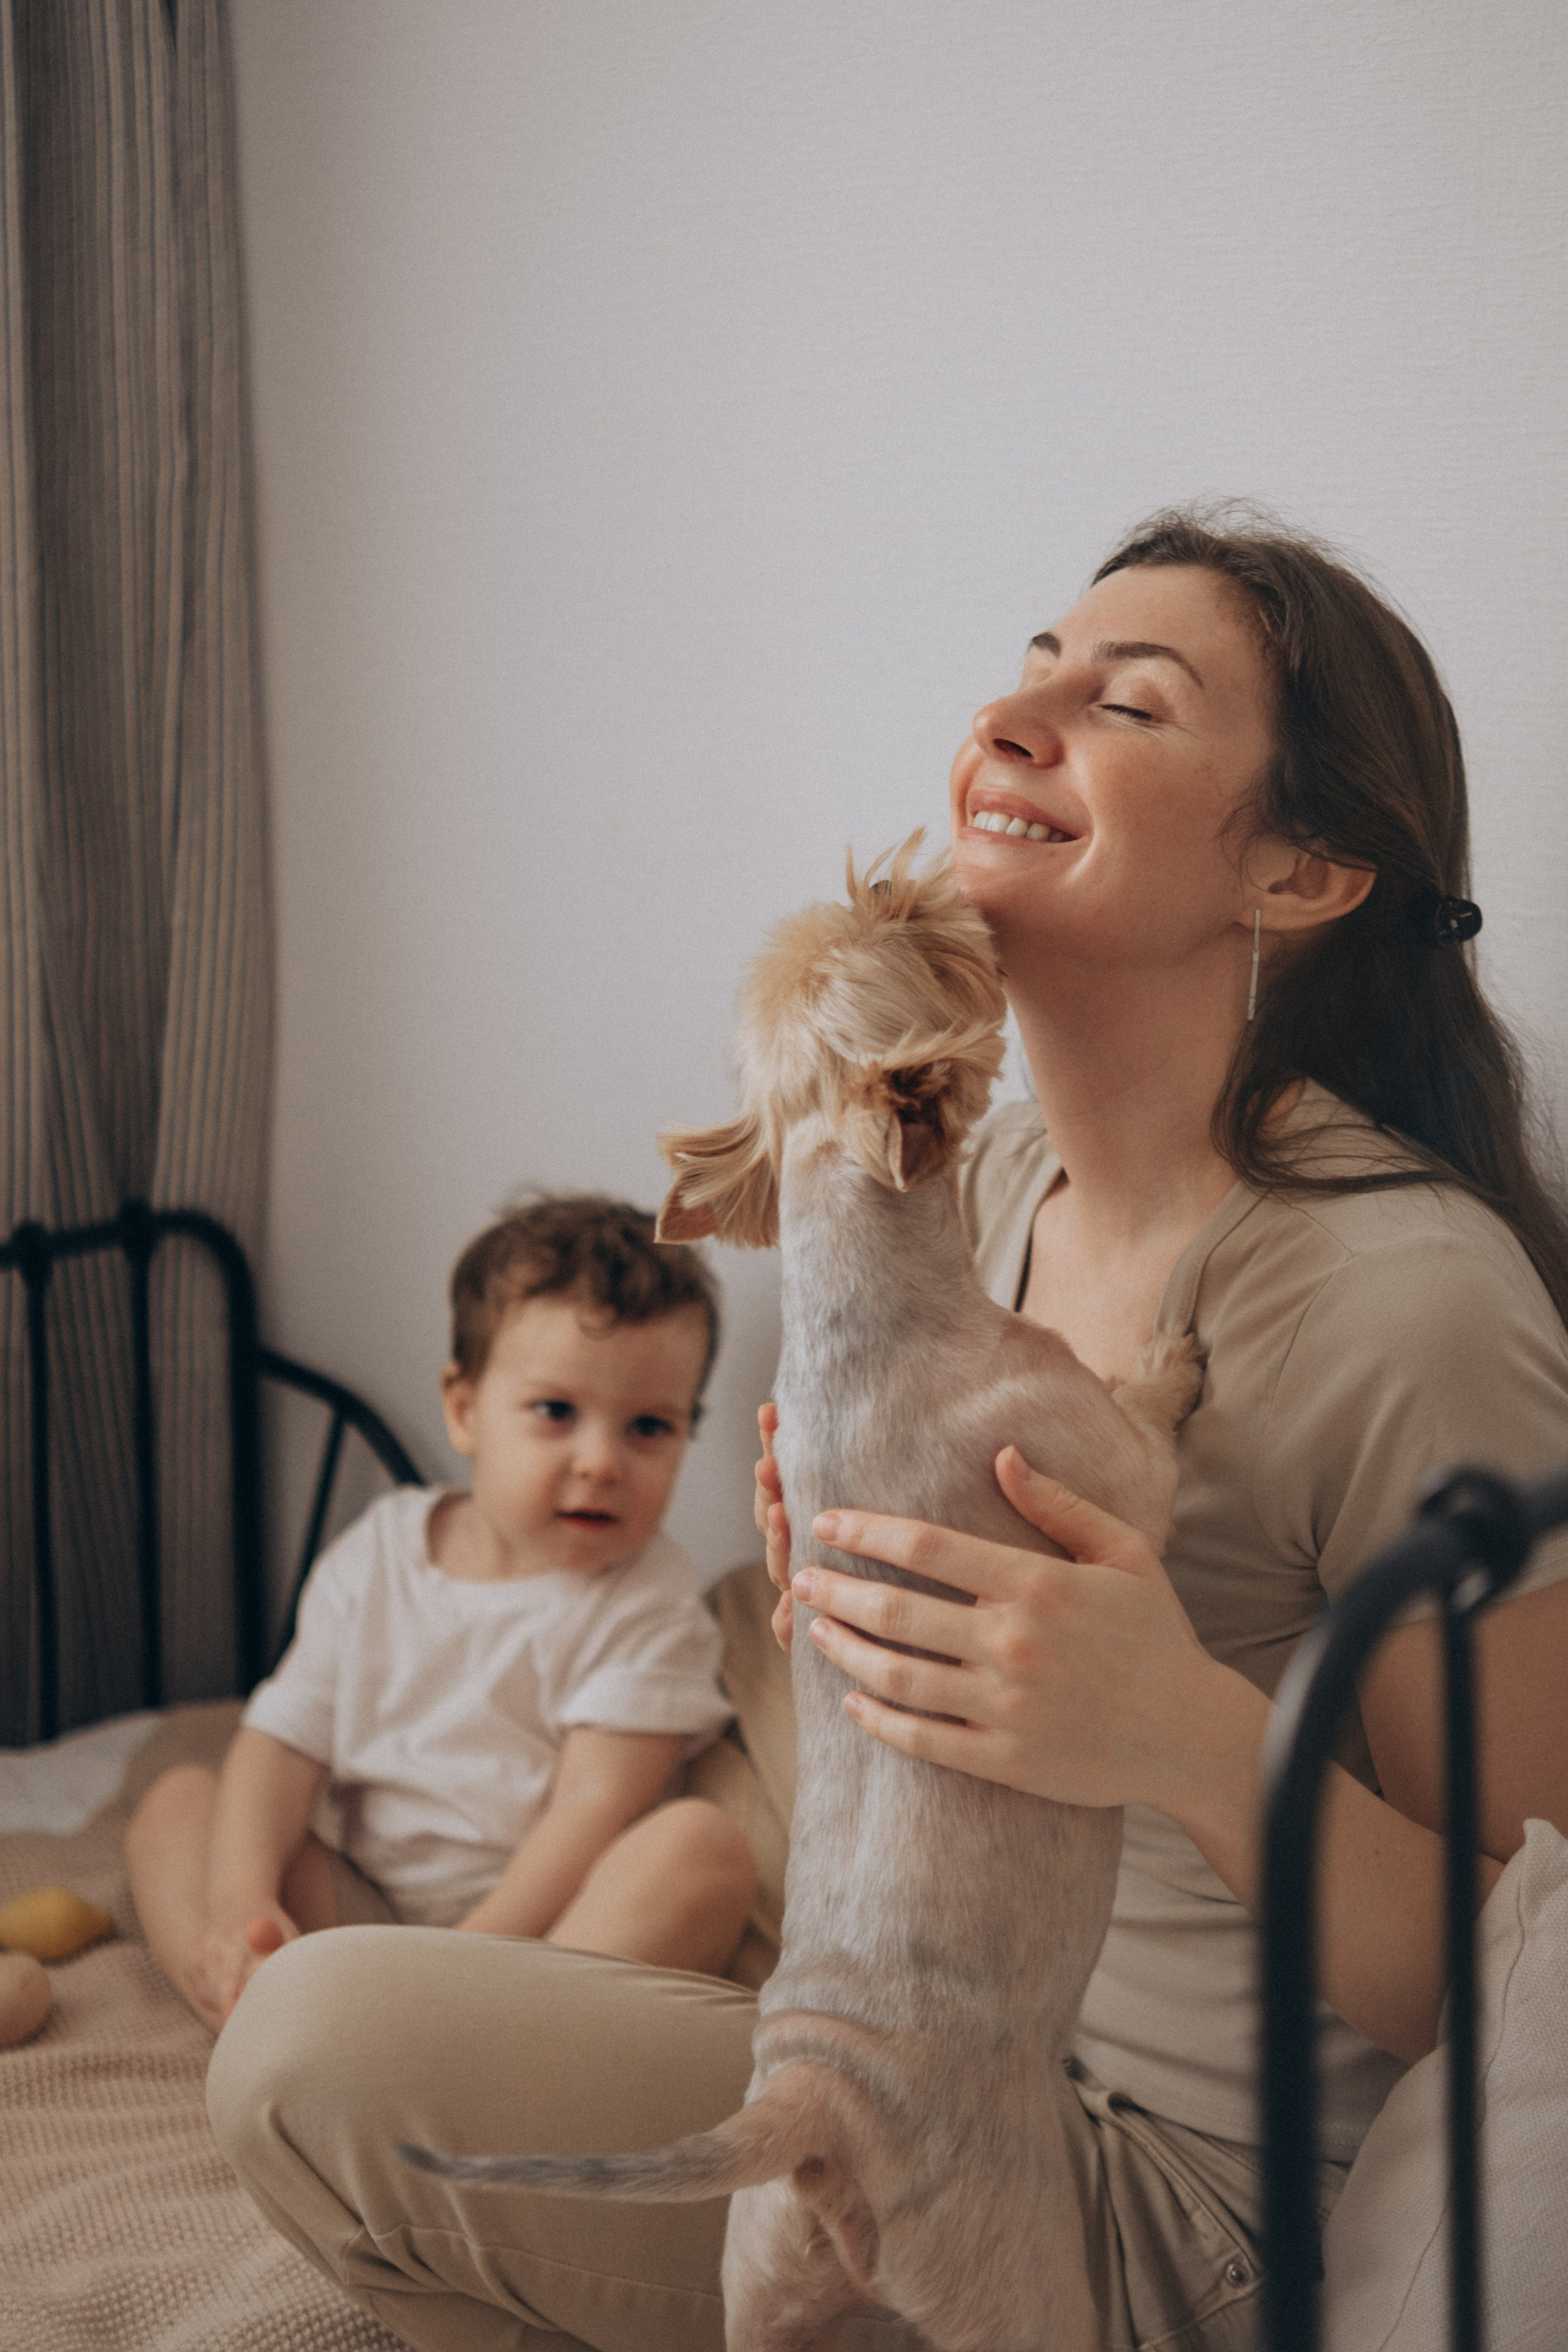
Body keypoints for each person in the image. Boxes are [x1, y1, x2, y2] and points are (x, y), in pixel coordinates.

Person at [208, 508, 1568, 2352]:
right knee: (327, 2063)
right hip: (911, 2039)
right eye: (1031, 674)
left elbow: (1514, 1986)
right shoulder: (980, 1173)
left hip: (1171, 2200)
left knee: (334, 2060)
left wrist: (1173, 1732)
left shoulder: (1406, 1298)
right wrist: (826, 1593)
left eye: (1129, 705)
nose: (1020, 721)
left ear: (1303, 870)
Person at [129, 1194, 755, 2034]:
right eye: (556, 1413)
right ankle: (253, 2014)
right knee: (179, 1802)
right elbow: (283, 1743)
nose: (602, 1462)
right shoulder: (380, 1552)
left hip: (529, 1951)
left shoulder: (650, 1602)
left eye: (649, 1427)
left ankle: (464, 2066)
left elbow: (590, 1814)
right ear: (465, 1410)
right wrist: (241, 1899)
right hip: (358, 1907)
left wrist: (451, 1973)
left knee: (700, 1852)